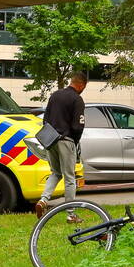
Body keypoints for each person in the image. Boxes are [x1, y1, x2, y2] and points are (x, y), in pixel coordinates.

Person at [34, 71, 88, 217]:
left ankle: (43, 200)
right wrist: (75, 142)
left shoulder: (55, 95)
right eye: (84, 86)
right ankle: (71, 214)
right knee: (70, 177)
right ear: (81, 84)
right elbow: (78, 125)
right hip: (66, 140)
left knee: (55, 173)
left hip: (51, 140)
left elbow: (45, 119)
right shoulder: (77, 99)